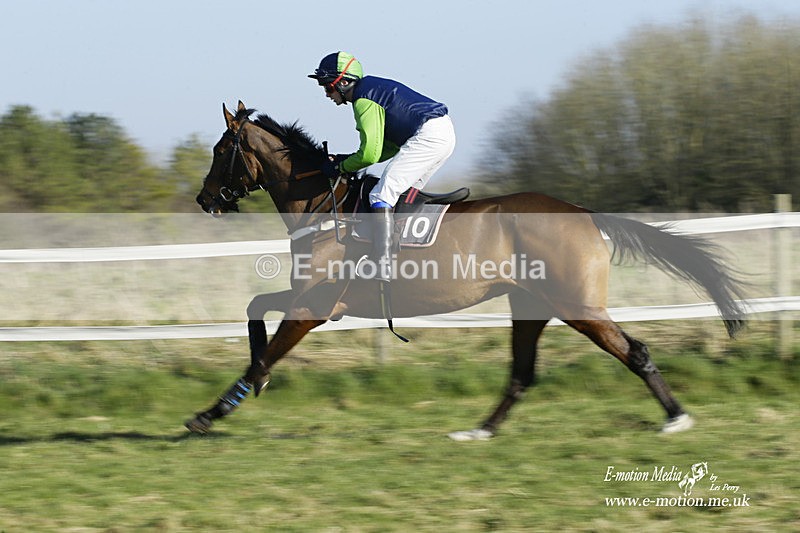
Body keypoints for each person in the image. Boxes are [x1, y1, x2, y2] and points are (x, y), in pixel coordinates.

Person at [309, 51, 456, 282]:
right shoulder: (371, 90)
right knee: (403, 194)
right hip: (441, 133)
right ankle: (403, 251)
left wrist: (340, 168)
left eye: (327, 87)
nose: (327, 94)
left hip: (428, 136)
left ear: (343, 82)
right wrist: (347, 159)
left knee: (380, 195)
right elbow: (385, 149)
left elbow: (370, 154)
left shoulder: (363, 99)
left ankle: (382, 264)